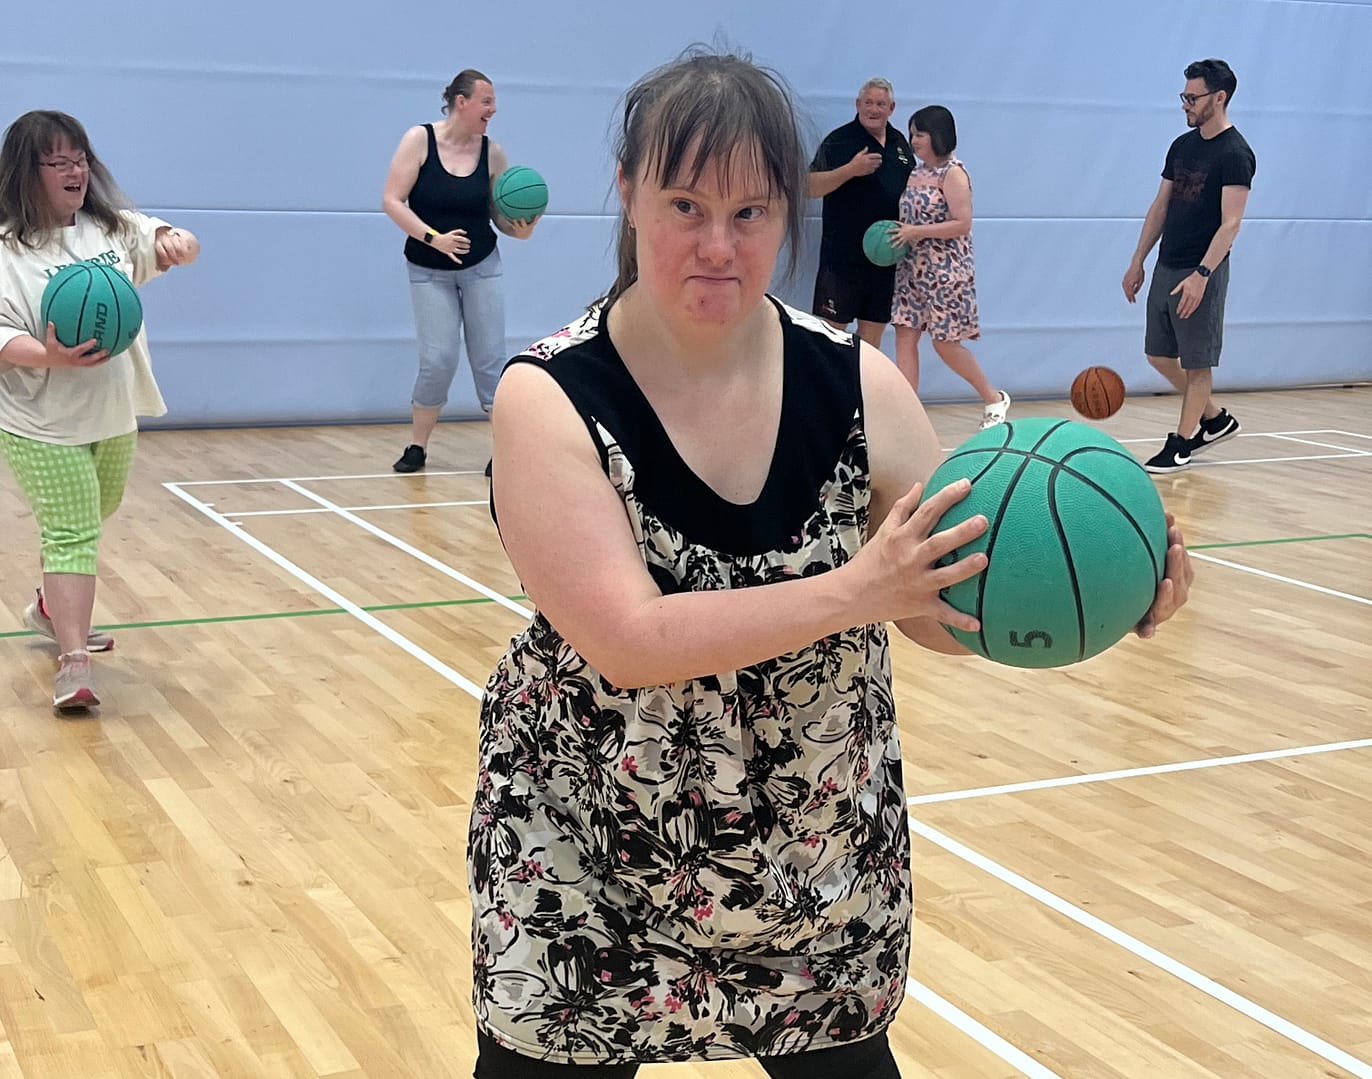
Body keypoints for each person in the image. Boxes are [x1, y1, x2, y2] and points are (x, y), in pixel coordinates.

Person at [469, 48, 1194, 1076]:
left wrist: (1109, 595)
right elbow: (627, 640)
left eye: (751, 214)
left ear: (785, 216)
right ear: (629, 194)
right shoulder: (547, 396)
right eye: (684, 205)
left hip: (813, 853)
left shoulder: (858, 385)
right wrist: (857, 588)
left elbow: (942, 605)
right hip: (587, 847)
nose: (717, 245)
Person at [0, 110, 200, 710]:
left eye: (80, 158)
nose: (74, 171)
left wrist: (177, 243)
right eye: (57, 161)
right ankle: (74, 664)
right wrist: (50, 355)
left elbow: (165, 243)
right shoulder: (6, 250)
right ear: (24, 173)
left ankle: (47, 605)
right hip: (38, 420)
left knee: (99, 507)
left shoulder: (110, 230)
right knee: (72, 533)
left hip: (112, 413)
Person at [382, 69, 539, 474]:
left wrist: (521, 228)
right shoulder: (419, 140)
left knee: (489, 360)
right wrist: (435, 238)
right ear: (461, 101)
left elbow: (500, 219)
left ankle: (503, 450)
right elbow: (393, 201)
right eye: (486, 100)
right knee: (438, 360)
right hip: (428, 267)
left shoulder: (493, 153)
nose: (494, 108)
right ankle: (417, 446)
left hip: (482, 266)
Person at [1123, 58, 1255, 474]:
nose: (1185, 104)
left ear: (1219, 98)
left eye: (1192, 98)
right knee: (1157, 355)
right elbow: (1160, 206)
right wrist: (1137, 260)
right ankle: (1214, 418)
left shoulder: (1235, 154)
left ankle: (1181, 444)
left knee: (1198, 364)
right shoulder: (1181, 146)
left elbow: (1230, 224)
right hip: (1167, 265)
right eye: (1184, 96)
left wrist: (1202, 276)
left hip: (1202, 271)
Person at [889, 106, 1010, 430]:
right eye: (912, 133)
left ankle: (993, 397)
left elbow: (962, 223)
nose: (913, 140)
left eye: (920, 134)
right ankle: (908, 412)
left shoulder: (954, 173)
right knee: (904, 335)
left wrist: (917, 232)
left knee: (945, 343)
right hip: (912, 268)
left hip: (946, 271)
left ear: (938, 136)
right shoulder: (915, 173)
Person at [807, 78, 913, 348]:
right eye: (868, 103)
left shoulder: (901, 144)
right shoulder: (841, 140)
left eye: (880, 104)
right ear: (858, 105)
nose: (874, 109)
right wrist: (849, 170)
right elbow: (808, 187)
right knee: (829, 338)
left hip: (884, 261)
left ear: (891, 107)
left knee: (871, 340)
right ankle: (827, 391)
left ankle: (860, 390)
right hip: (842, 260)